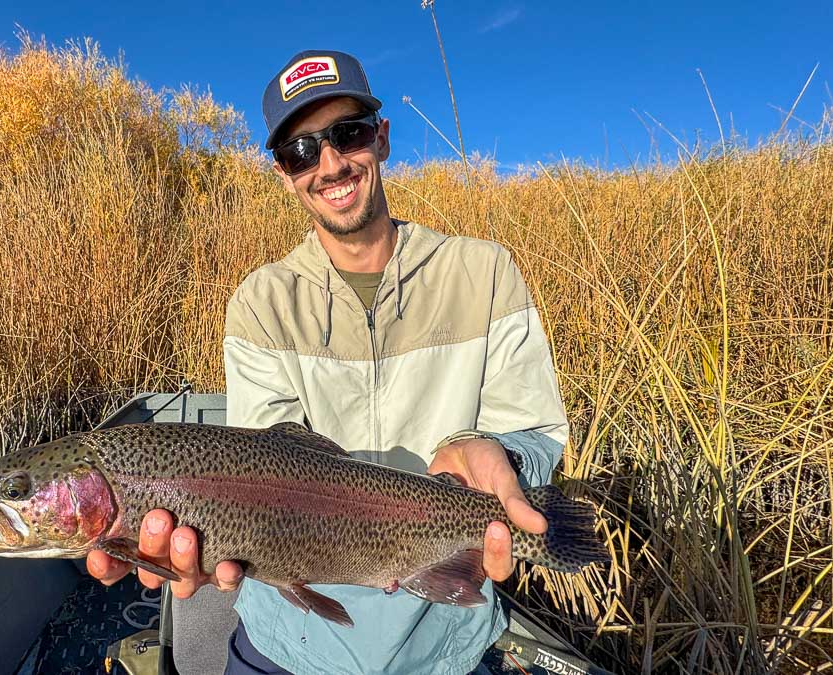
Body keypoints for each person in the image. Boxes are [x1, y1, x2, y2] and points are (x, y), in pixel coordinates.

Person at [87, 49, 569, 675]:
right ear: (285, 173)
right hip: (288, 646)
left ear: (383, 138)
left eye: (348, 134)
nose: (331, 164)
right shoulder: (262, 303)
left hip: (446, 645)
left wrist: (497, 456)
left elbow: (535, 437)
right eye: (301, 150)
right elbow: (268, 470)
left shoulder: (483, 273)